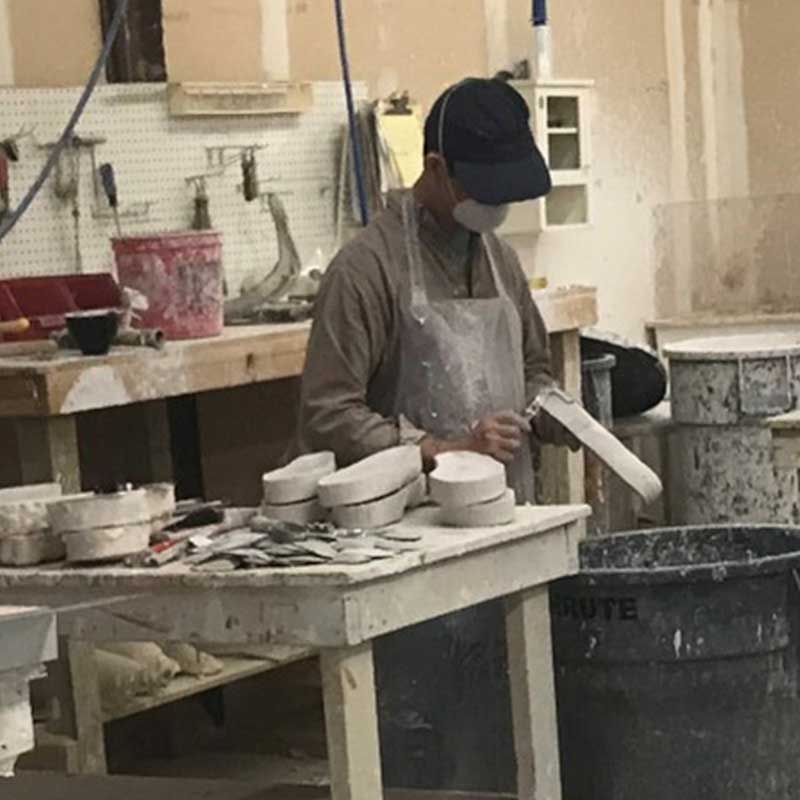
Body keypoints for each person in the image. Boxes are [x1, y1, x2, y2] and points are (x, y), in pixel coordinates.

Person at [297, 78, 579, 792]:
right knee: (415, 746)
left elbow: (536, 367)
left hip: (498, 537)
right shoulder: (367, 271)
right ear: (437, 168)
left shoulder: (498, 260)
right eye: (485, 186)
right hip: (405, 552)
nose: (498, 206)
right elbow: (327, 414)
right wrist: (441, 450)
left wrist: (552, 415)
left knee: (502, 737)